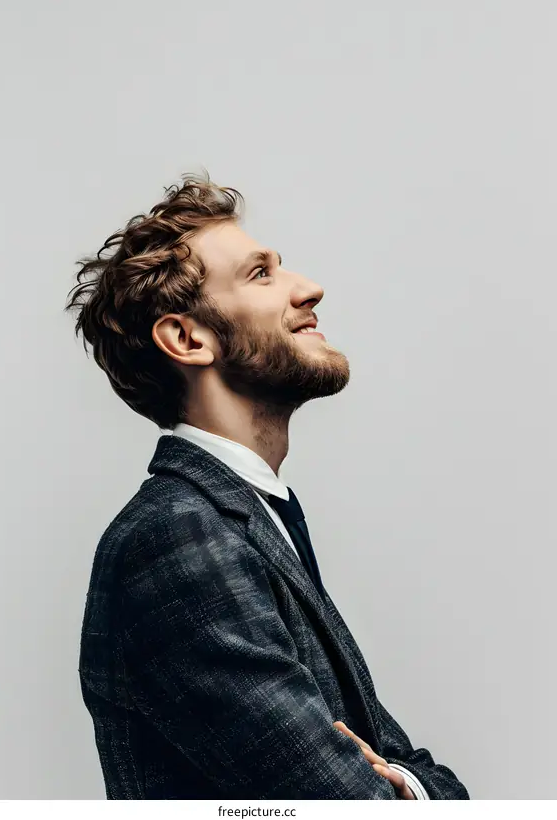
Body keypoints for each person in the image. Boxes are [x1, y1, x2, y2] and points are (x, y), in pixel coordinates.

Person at [65, 173, 469, 800]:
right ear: (187, 338)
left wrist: (407, 784)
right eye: (260, 275)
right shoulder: (176, 538)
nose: (309, 289)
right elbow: (347, 805)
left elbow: (404, 765)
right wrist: (395, 787)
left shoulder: (249, 517)